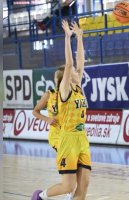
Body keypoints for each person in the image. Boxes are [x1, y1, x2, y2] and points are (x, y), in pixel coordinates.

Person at [32, 20, 91, 200]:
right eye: (71, 71)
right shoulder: (63, 91)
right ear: (64, 77)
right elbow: (70, 63)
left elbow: (80, 62)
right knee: (68, 186)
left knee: (84, 184)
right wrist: (67, 38)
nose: (76, 71)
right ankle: (41, 196)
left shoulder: (78, 86)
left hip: (82, 137)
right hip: (66, 138)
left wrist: (79, 38)